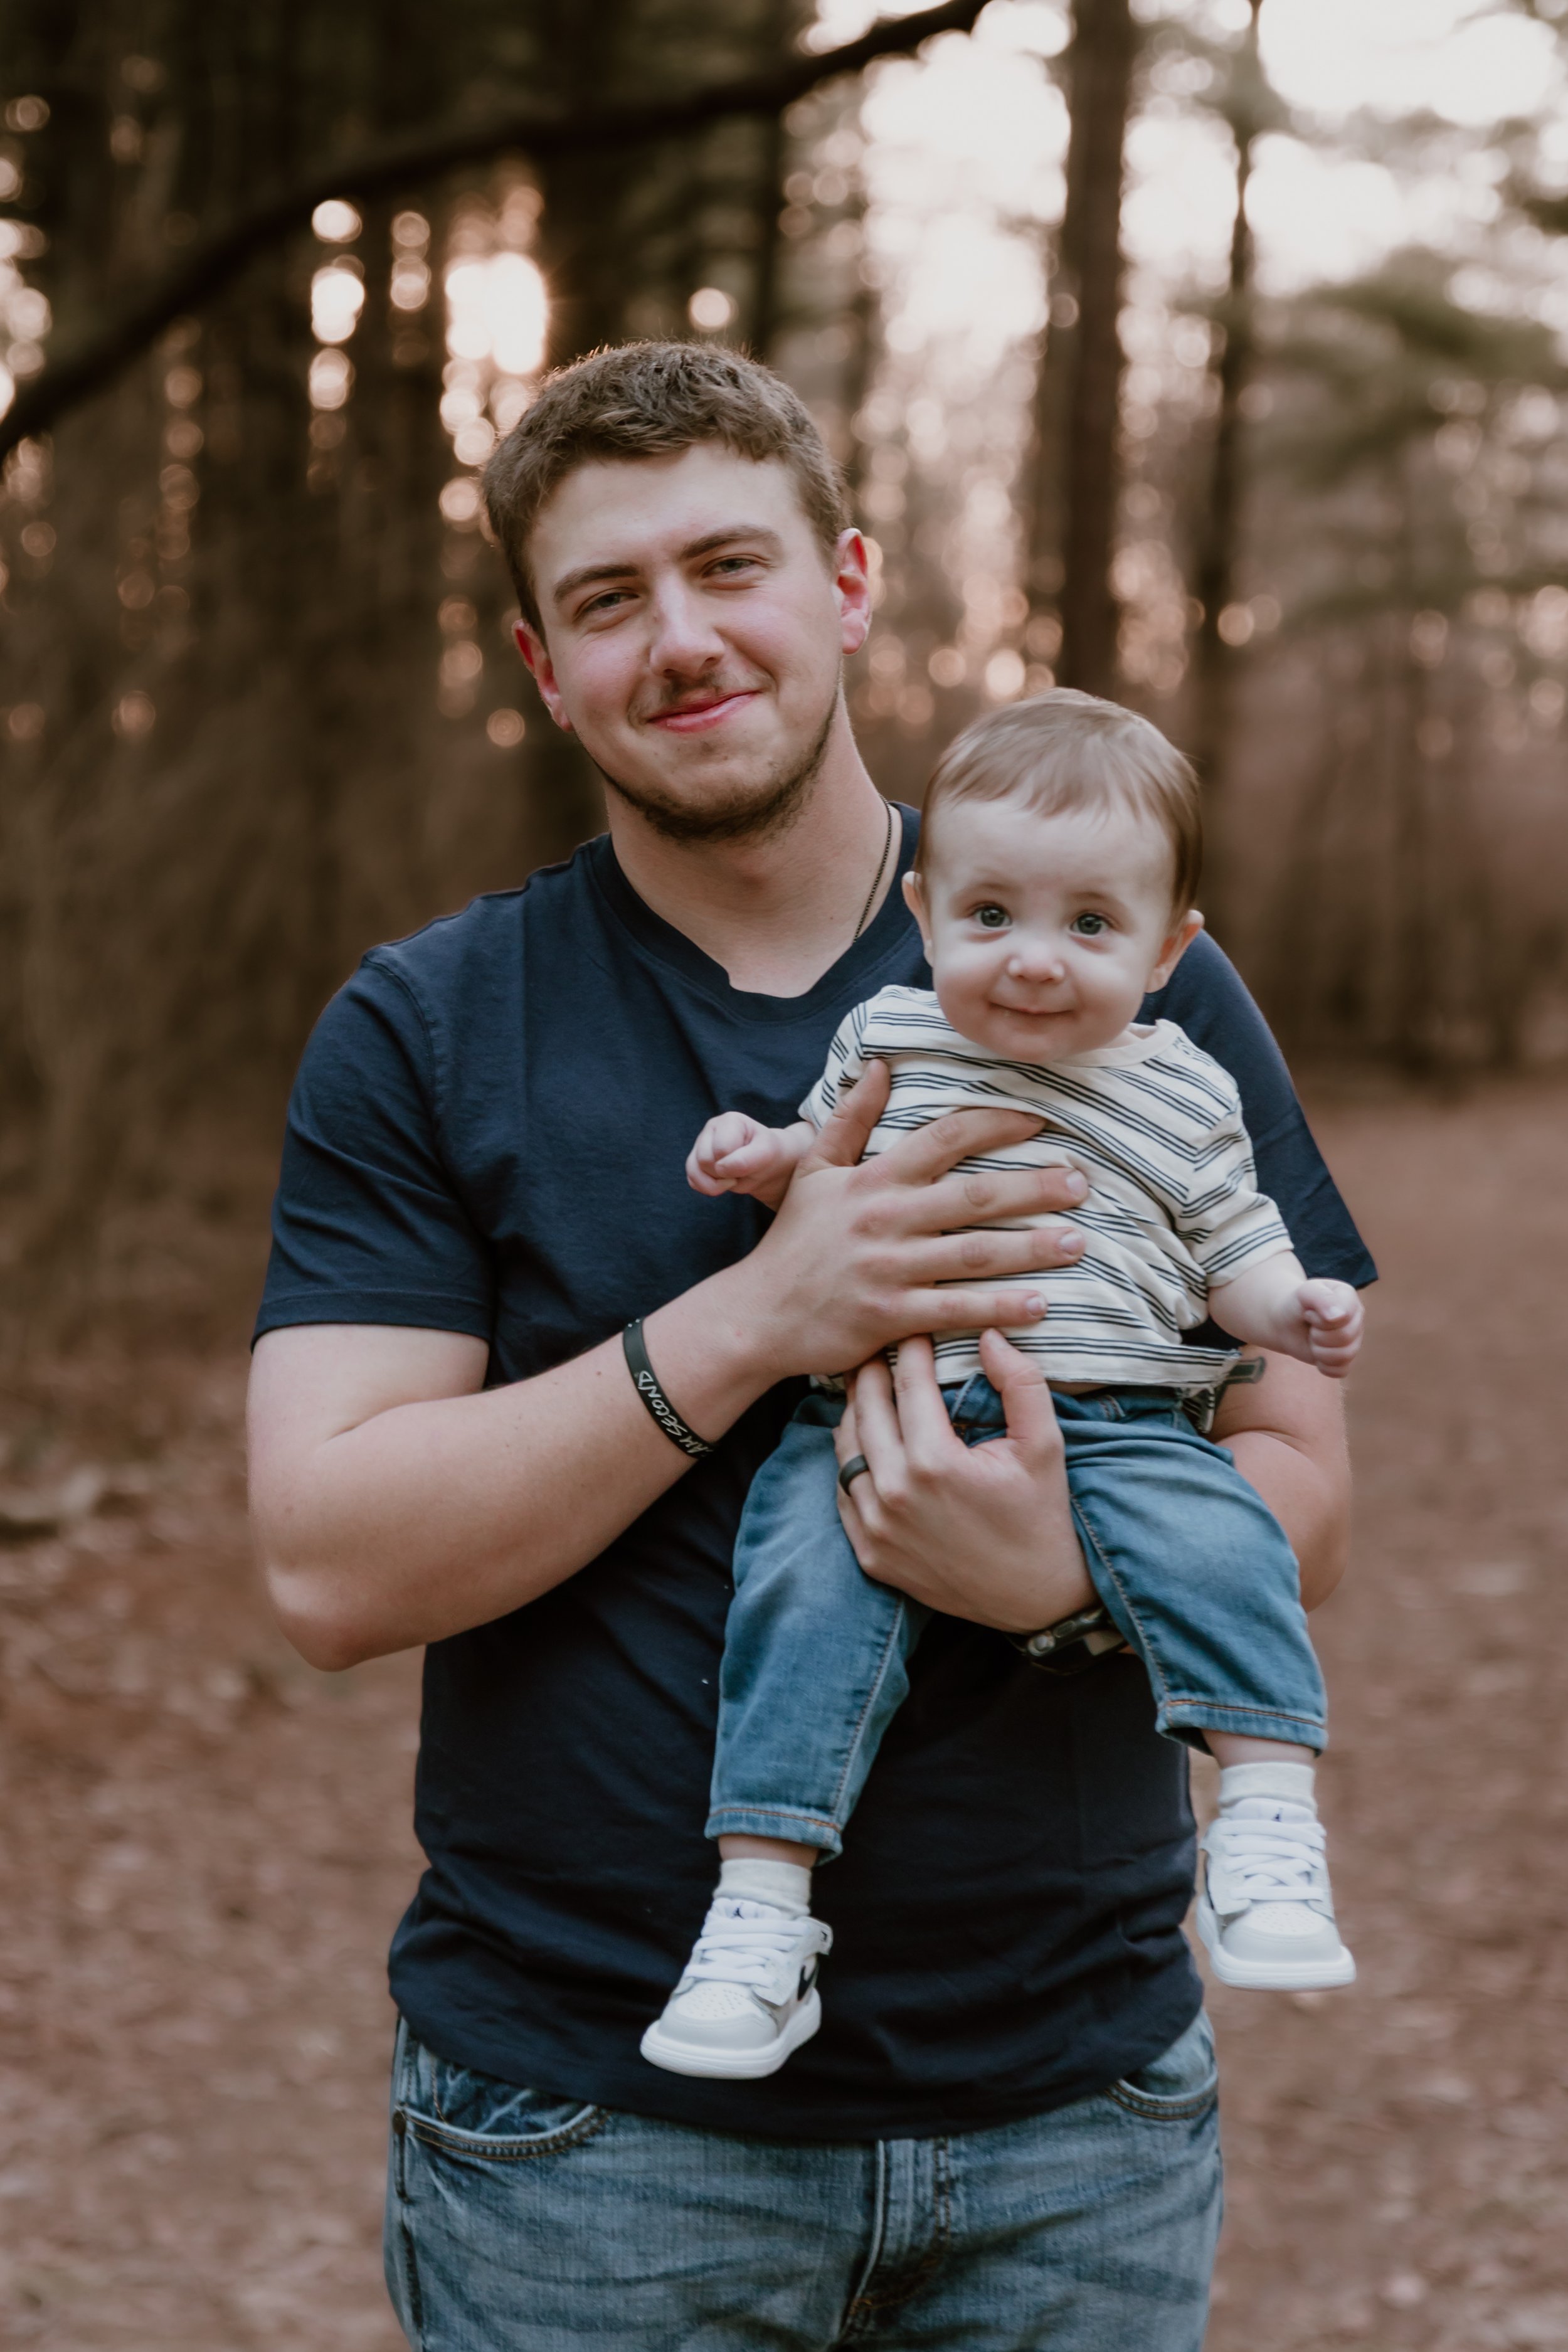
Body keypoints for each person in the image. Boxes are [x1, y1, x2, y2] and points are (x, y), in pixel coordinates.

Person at [246, 341, 1374, 2351]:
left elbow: (1299, 1480)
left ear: (845, 578)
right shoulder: (429, 1025)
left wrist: (1055, 1575)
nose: (681, 638)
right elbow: (333, 1558)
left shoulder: (1109, 952)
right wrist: (760, 1316)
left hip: (1076, 2124)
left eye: (727, 564)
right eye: (608, 600)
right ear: (541, 662)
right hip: (591, 2139)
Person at [641, 690, 1361, 2086]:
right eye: (991, 917)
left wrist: (1295, 1310)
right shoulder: (889, 1042)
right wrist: (756, 1154)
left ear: (1168, 948)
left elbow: (1235, 1254)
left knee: (1222, 1539)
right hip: (871, 1404)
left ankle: (1266, 1820)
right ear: (925, 913)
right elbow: (818, 1164)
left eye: (1088, 926)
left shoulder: (1185, 1092)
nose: (1032, 962)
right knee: (790, 1591)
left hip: (1118, 1422)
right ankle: (760, 1907)